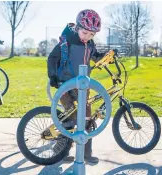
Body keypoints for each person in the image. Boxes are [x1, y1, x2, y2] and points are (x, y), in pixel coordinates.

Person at [47, 9, 107, 164]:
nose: (87, 37)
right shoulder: (66, 41)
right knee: (71, 118)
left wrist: (106, 57)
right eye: (85, 33)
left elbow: (95, 56)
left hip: (83, 86)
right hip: (65, 85)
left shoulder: (90, 44)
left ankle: (87, 153)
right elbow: (52, 58)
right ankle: (60, 150)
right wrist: (52, 76)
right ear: (78, 27)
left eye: (92, 35)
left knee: (87, 119)